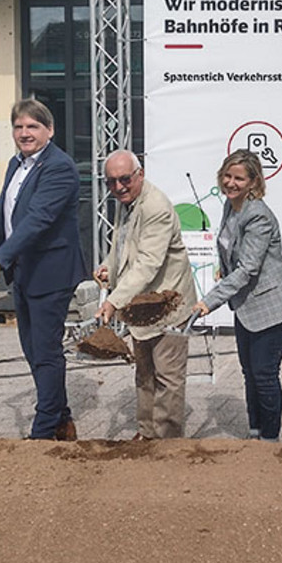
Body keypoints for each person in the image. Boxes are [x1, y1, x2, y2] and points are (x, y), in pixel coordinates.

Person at [0, 98, 85, 441]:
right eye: (18, 126)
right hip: (25, 271)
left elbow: (37, 221)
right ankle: (61, 418)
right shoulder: (16, 165)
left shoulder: (59, 167)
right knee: (32, 349)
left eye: (32, 126)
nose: (24, 133)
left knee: (46, 351)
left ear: (50, 130)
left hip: (51, 272)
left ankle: (44, 431)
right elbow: (8, 218)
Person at [190, 150, 282, 441]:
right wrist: (222, 268)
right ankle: (255, 432)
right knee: (249, 372)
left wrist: (208, 303)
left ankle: (270, 439)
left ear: (254, 182)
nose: (231, 183)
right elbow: (231, 249)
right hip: (246, 306)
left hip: (273, 306)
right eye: (227, 176)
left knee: (264, 374)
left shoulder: (258, 216)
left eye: (239, 178)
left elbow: (248, 270)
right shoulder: (231, 207)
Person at [96, 150, 197, 440]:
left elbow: (148, 263)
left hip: (168, 306)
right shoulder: (126, 202)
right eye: (111, 182)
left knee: (167, 376)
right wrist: (108, 268)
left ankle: (167, 440)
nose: (119, 187)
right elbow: (123, 244)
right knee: (144, 373)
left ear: (140, 174)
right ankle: (147, 432)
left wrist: (114, 301)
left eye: (125, 179)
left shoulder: (155, 207)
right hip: (142, 306)